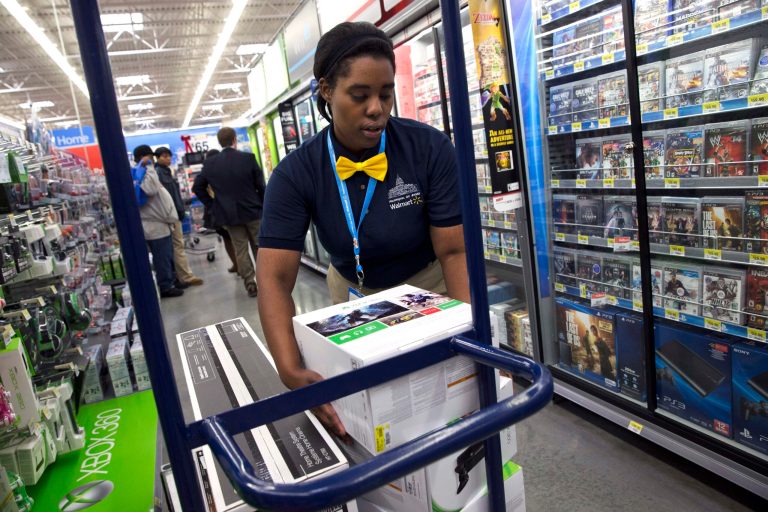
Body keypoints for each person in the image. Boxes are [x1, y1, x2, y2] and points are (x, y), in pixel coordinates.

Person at [256, 22, 470, 436]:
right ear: (325, 91)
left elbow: (455, 252)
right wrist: (290, 370)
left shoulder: (429, 149)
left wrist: (468, 329)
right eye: (360, 95)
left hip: (429, 288)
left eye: (385, 94)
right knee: (373, 422)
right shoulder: (295, 174)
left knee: (439, 409)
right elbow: (274, 278)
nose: (376, 108)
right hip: (352, 298)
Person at [192, 128, 265, 297]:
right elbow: (261, 186)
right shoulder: (248, 158)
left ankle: (250, 283)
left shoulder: (210, 164)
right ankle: (265, 281)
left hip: (229, 214)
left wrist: (213, 205)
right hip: (253, 210)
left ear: (219, 142)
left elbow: (198, 187)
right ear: (234, 139)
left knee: (240, 249)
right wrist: (263, 205)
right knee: (260, 246)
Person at [131, 145, 184, 298]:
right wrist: (149, 167)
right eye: (150, 157)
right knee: (162, 257)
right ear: (144, 157)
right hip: (154, 224)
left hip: (159, 223)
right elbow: (151, 189)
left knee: (166, 255)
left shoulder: (142, 173)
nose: (153, 160)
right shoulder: (143, 173)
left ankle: (171, 281)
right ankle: (166, 285)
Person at [154, 147, 204, 288]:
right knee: (178, 245)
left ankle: (180, 277)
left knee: (176, 246)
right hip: (171, 216)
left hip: (174, 214)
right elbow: (166, 198)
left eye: (169, 156)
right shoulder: (159, 173)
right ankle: (186, 277)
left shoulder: (165, 172)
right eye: (164, 156)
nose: (168, 159)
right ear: (157, 158)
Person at [202, 148, 239, 273]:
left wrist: (210, 204)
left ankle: (237, 264)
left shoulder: (207, 172)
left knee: (228, 240)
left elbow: (198, 188)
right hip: (233, 210)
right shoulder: (228, 169)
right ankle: (240, 266)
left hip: (218, 212)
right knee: (238, 240)